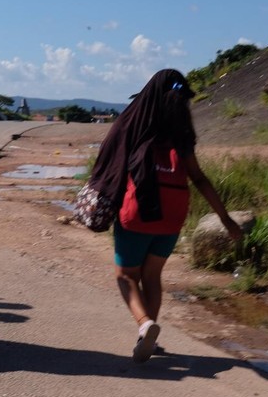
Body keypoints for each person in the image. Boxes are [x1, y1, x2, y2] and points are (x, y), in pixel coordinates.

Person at [88, 69, 243, 363]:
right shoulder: (182, 136)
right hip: (172, 218)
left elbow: (109, 163)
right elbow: (199, 179)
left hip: (137, 214)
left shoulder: (134, 125)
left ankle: (145, 324)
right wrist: (225, 219)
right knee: (152, 275)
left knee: (126, 275)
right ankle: (147, 337)